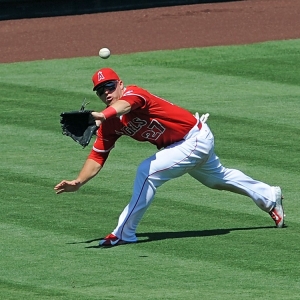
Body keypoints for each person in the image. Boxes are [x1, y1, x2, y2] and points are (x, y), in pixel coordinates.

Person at [54, 67, 285, 246]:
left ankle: (124, 233)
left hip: (193, 139)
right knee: (217, 179)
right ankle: (269, 196)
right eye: (101, 90)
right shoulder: (108, 123)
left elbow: (125, 105)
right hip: (181, 145)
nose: (106, 92)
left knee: (147, 171)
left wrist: (102, 115)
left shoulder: (134, 94)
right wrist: (79, 181)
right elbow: (97, 156)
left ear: (120, 85)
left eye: (110, 86)